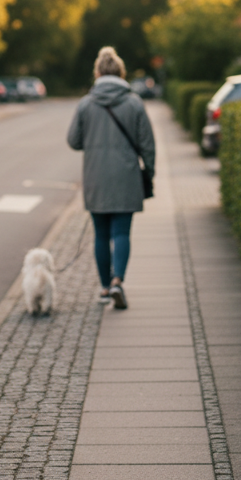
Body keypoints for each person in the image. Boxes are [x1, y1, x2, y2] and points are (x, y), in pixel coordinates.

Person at [67, 46, 156, 310]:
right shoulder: (134, 102)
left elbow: (73, 141)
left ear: (97, 73)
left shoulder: (86, 103)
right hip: (127, 176)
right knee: (121, 232)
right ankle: (118, 281)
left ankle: (105, 288)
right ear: (121, 73)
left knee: (100, 234)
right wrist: (149, 172)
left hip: (96, 177)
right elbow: (148, 144)